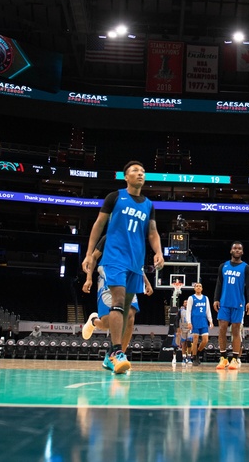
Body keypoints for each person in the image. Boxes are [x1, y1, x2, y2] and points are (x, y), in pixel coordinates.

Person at [82, 160, 164, 374]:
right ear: (126, 177)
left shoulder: (148, 204)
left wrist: (158, 252)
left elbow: (153, 233)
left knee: (128, 314)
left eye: (143, 171)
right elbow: (98, 225)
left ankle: (111, 351)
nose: (140, 173)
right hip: (114, 259)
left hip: (136, 264)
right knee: (118, 303)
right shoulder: (115, 197)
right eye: (135, 171)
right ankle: (117, 353)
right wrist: (89, 254)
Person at [81, 235, 154, 364]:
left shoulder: (135, 239)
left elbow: (137, 264)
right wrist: (88, 278)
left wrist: (146, 283)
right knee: (108, 323)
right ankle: (94, 321)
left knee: (130, 316)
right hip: (108, 278)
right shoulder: (109, 236)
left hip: (128, 278)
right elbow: (93, 257)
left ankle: (118, 357)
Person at [213, 242, 249, 370]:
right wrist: (216, 299)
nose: (237, 250)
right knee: (222, 330)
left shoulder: (246, 268)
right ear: (231, 251)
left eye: (239, 248)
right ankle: (223, 358)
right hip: (224, 302)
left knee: (235, 331)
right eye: (235, 248)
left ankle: (235, 359)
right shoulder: (223, 266)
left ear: (242, 252)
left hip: (238, 303)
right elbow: (219, 284)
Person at [186, 282, 213, 366]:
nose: (198, 287)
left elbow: (208, 310)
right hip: (195, 320)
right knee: (195, 339)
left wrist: (210, 321)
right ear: (194, 288)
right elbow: (188, 311)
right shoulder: (191, 298)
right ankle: (194, 357)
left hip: (203, 320)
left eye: (200, 286)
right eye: (197, 286)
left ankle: (197, 352)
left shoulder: (205, 298)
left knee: (205, 340)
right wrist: (189, 322)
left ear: (202, 288)